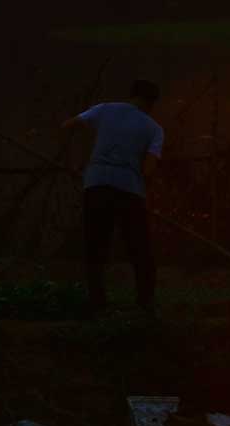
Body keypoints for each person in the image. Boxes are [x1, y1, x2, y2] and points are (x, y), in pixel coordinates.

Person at [62, 80, 164, 316]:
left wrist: (77, 161)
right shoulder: (154, 128)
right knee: (140, 248)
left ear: (132, 95)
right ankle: (145, 303)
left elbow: (68, 126)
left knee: (96, 245)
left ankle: (97, 303)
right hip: (129, 189)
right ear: (152, 103)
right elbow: (149, 168)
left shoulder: (104, 109)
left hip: (96, 183)